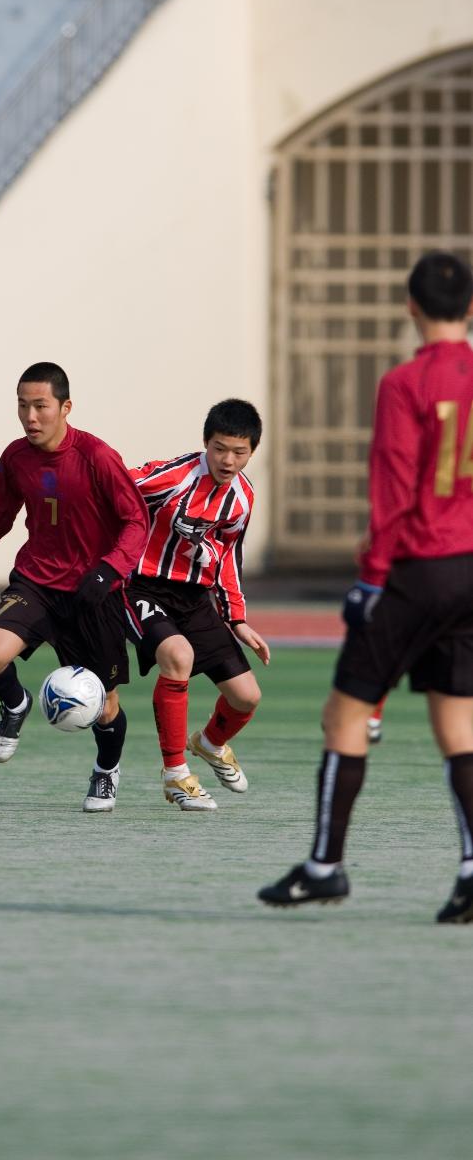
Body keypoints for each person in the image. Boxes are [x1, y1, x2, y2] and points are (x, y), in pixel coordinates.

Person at [259, 250, 473, 924]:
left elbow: (395, 491)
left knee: (347, 713)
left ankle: (325, 866)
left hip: (420, 568)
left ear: (411, 308)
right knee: (457, 718)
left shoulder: (404, 383)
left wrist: (371, 579)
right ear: (469, 309)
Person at [0, 361, 149, 812]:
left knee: (105, 704)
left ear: (66, 407)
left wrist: (109, 570)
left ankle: (105, 771)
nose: (30, 417)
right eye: (22, 406)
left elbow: (136, 520)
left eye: (40, 406)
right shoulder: (16, 457)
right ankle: (16, 705)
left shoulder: (97, 457)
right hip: (36, 581)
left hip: (91, 593)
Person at [124, 399, 270, 811]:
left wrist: (237, 620)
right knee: (178, 655)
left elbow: (229, 559)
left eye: (239, 452)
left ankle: (209, 743)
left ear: (252, 452)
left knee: (247, 697)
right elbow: (115, 486)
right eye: (220, 448)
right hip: (143, 588)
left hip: (194, 599)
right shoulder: (173, 476)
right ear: (206, 443)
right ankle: (175, 776)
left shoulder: (242, 497)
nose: (228, 460)